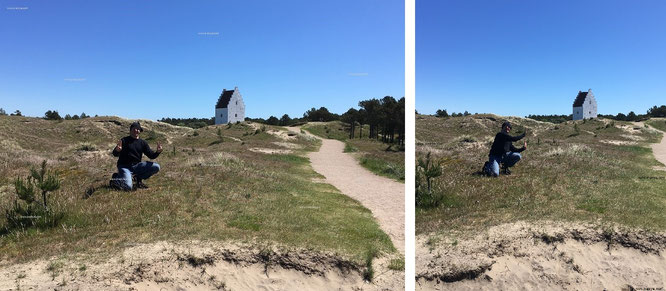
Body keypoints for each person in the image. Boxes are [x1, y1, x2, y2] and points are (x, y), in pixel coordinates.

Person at [112, 121, 162, 190]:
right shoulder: (124, 140)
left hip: (137, 166)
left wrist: (157, 152)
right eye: (135, 128)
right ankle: (116, 178)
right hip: (124, 167)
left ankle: (138, 179)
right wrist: (117, 150)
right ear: (131, 130)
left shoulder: (143, 143)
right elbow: (115, 154)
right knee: (128, 187)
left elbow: (151, 156)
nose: (137, 130)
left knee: (156, 167)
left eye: (139, 129)